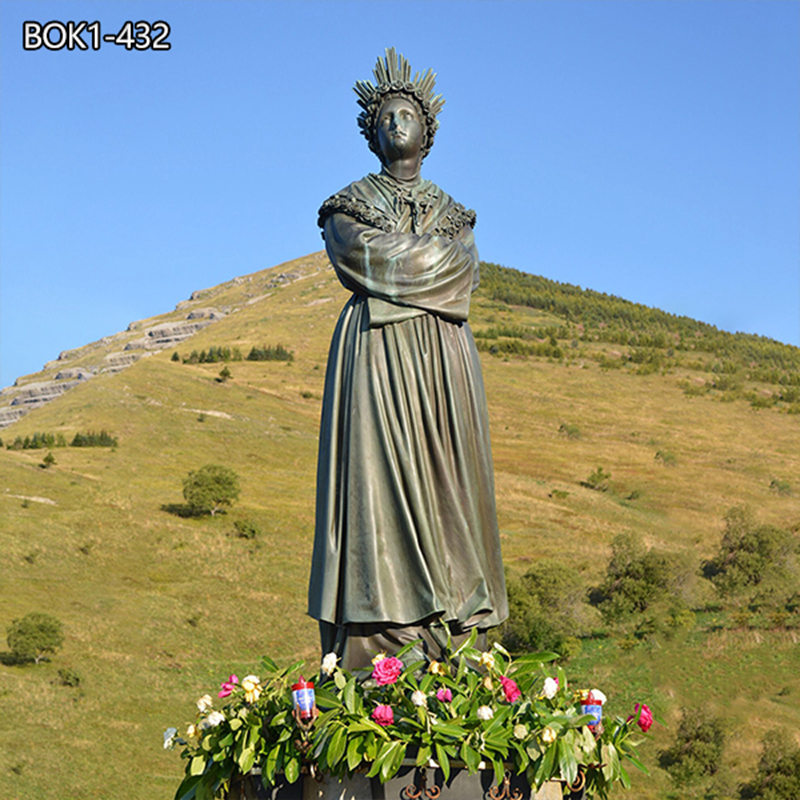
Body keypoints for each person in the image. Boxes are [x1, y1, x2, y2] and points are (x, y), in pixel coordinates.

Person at [308, 49, 508, 669]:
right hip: (375, 358)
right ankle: (382, 632)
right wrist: (424, 264)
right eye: (384, 117)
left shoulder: (456, 213)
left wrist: (403, 267)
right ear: (372, 136)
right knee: (376, 477)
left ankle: (454, 617)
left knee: (449, 477)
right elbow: (359, 256)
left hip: (444, 362)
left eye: (405, 113)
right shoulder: (349, 205)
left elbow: (461, 272)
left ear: (428, 129)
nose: (395, 123)